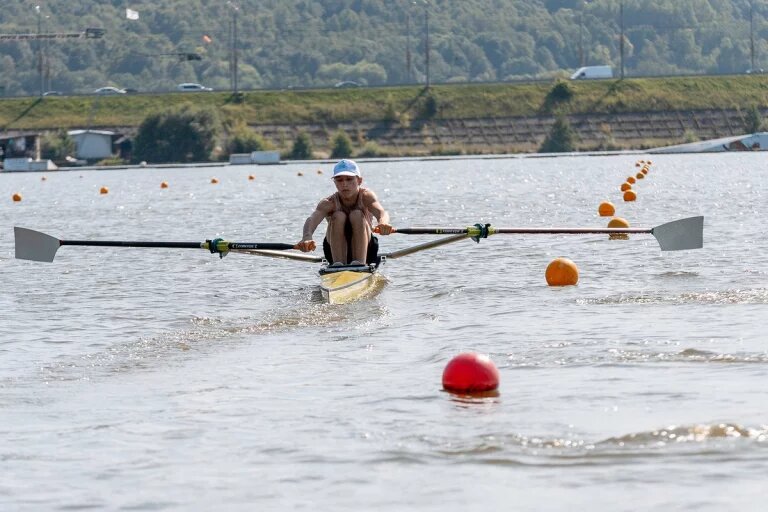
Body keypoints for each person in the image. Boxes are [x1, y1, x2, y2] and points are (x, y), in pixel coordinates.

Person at [297, 159, 392, 265]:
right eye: (339, 180)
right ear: (335, 182)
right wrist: (306, 237)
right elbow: (312, 219)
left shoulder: (366, 196)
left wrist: (383, 223)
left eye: (349, 179)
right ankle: (338, 265)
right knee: (338, 216)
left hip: (367, 250)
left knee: (357, 214)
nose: (344, 184)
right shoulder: (328, 202)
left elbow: (381, 212)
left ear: (359, 181)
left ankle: (360, 263)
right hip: (333, 252)